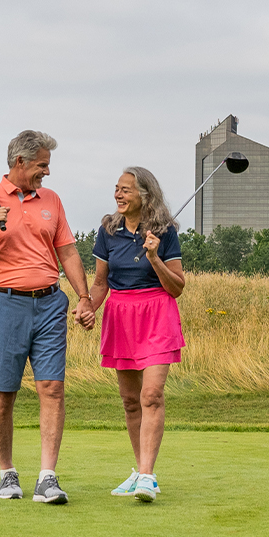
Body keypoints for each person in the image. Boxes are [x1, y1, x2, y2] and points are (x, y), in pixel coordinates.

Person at [0, 129, 95, 503]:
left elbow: (68, 253)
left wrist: (84, 297)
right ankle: (7, 473)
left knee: (52, 387)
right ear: (21, 162)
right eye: (42, 166)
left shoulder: (53, 200)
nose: (46, 173)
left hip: (49, 303)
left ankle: (47, 478)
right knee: (3, 394)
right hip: (5, 304)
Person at [84, 167, 184, 502]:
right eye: (117, 189)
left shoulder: (164, 232)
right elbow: (101, 284)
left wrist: (154, 257)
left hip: (157, 313)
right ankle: (139, 470)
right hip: (121, 315)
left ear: (145, 194)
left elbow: (177, 287)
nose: (119, 195)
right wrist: (88, 307)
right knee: (130, 401)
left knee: (151, 395)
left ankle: (147, 476)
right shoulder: (108, 231)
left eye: (126, 189)